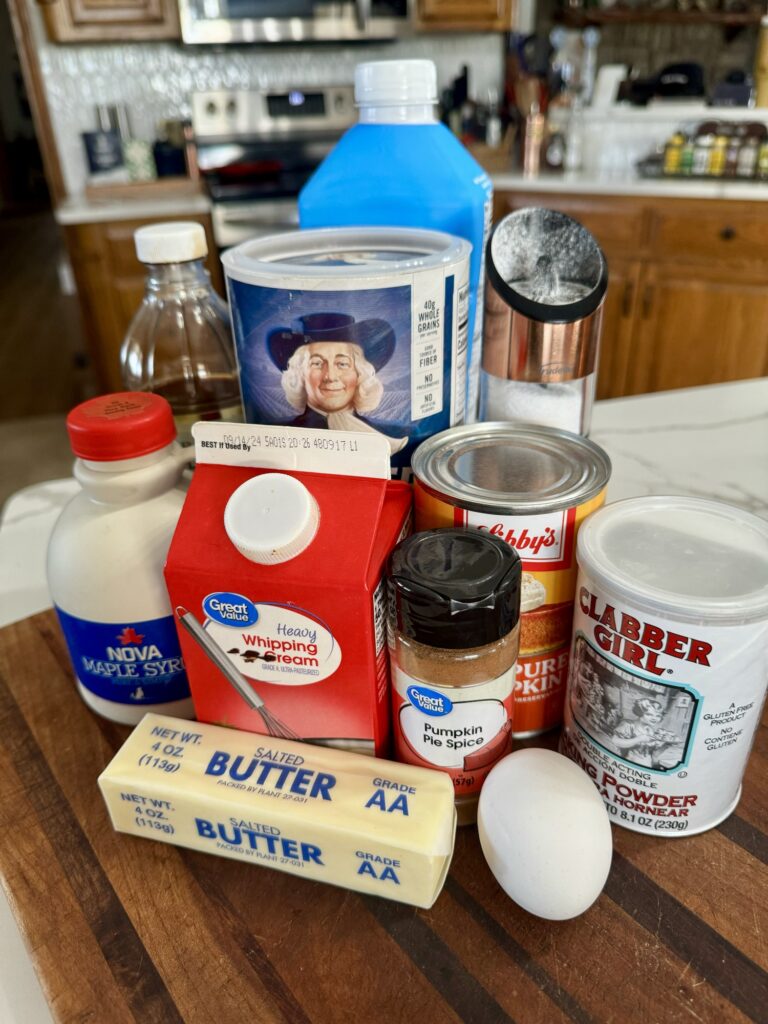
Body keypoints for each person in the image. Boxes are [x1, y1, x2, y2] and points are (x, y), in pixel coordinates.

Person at [267, 312, 408, 455]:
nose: (331, 376)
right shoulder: (276, 438)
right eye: (317, 363)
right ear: (300, 373)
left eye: (342, 363)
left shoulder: (392, 432)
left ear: (359, 373)